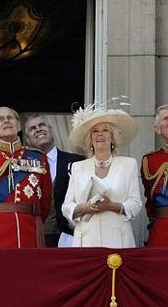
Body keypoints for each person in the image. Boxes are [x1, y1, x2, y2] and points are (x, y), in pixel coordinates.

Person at [0, 106, 51, 248]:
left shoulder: (39, 158)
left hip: (29, 231)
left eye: (10, 118)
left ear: (19, 126)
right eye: (1, 119)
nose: (6, 121)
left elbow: (45, 203)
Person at [62, 107, 142, 248]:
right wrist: (84, 208)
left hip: (118, 239)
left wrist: (111, 206)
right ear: (90, 139)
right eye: (95, 131)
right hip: (86, 240)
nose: (100, 134)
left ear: (112, 138)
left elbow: (135, 203)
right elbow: (67, 206)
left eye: (105, 130)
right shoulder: (77, 167)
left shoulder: (128, 164)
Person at [24, 114, 84, 247]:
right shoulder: (21, 168)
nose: (38, 129)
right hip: (33, 236)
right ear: (27, 139)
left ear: (51, 130)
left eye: (42, 125)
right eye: (32, 128)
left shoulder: (77, 162)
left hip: (69, 236)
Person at [142, 104, 168, 246]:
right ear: (158, 129)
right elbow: (150, 202)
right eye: (166, 119)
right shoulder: (150, 161)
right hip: (162, 230)